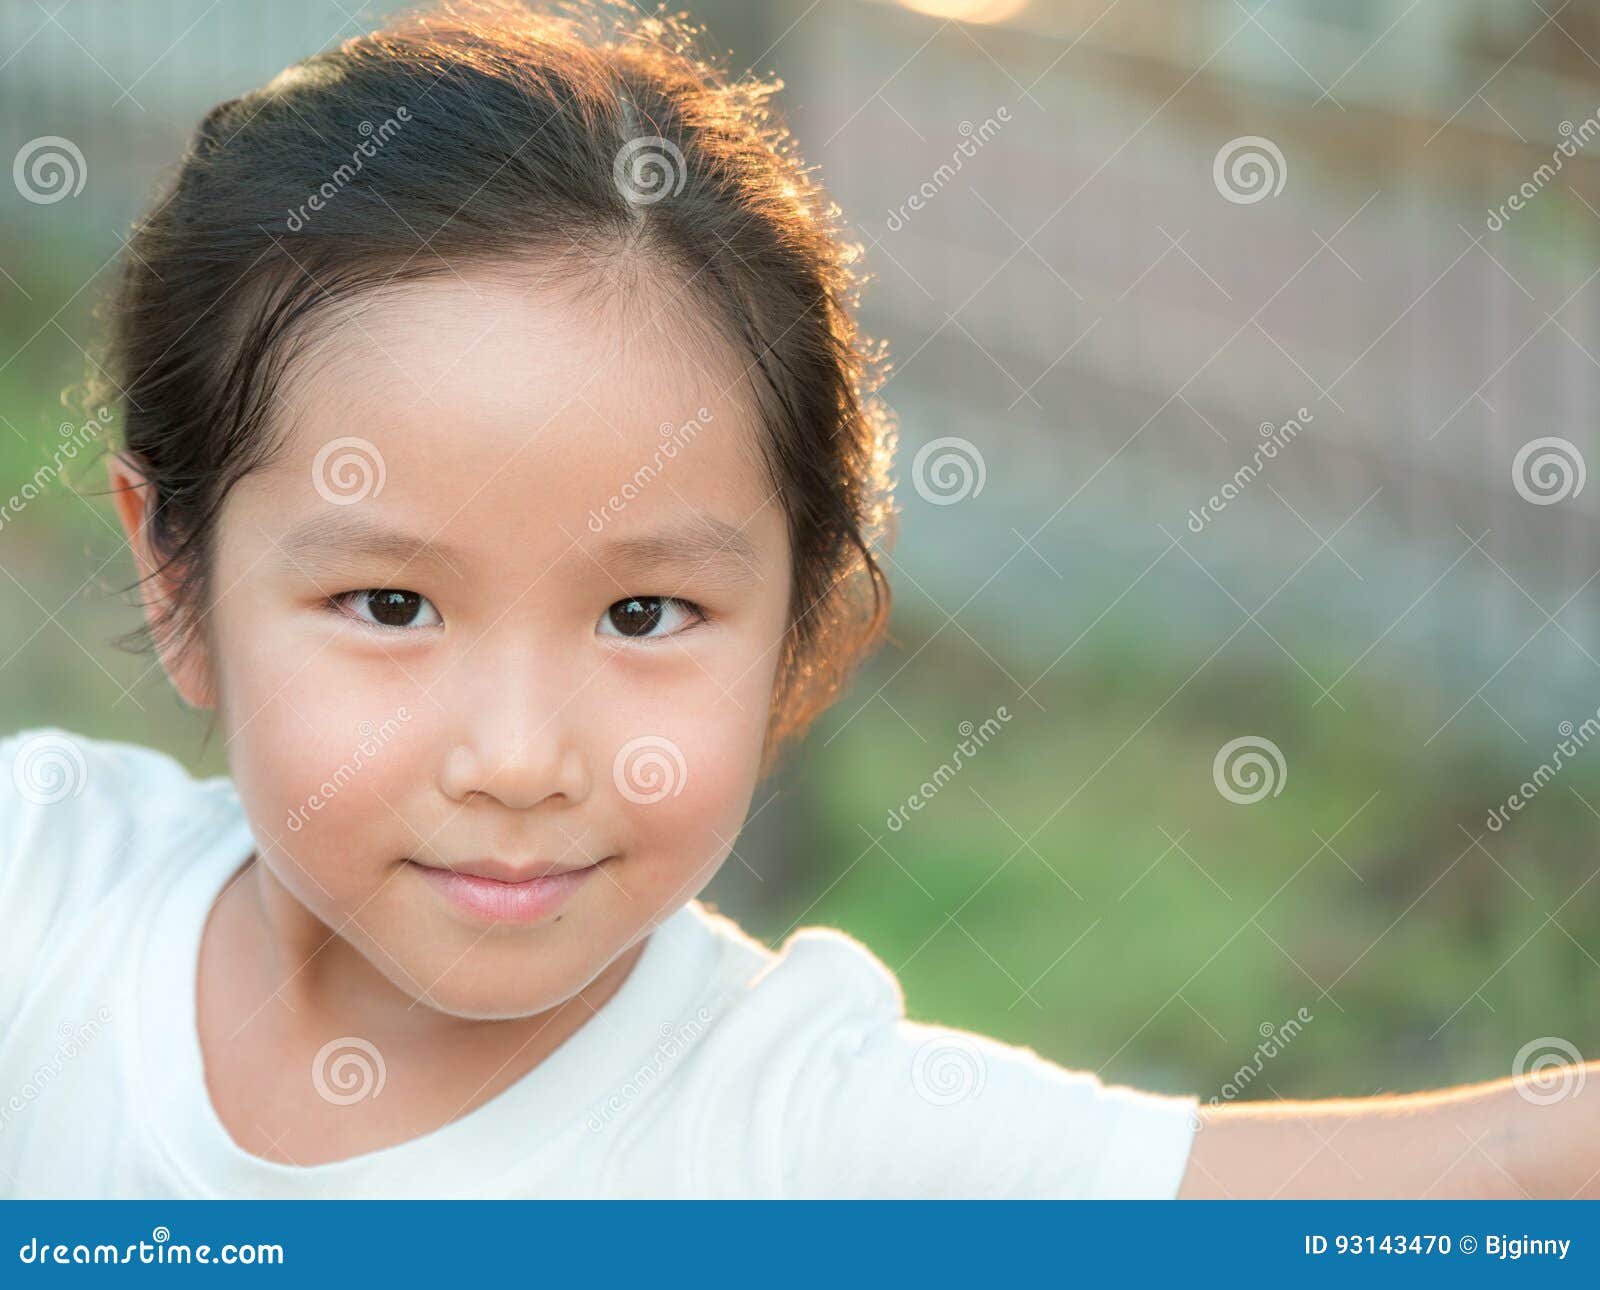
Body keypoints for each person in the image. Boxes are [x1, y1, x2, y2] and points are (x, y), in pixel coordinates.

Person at [0, 0, 1591, 1199]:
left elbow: (1468, 1176)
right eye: (390, 604)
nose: (520, 755)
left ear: (802, 631)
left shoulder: (795, 1129)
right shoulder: (40, 896)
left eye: (643, 617)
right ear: (178, 570)